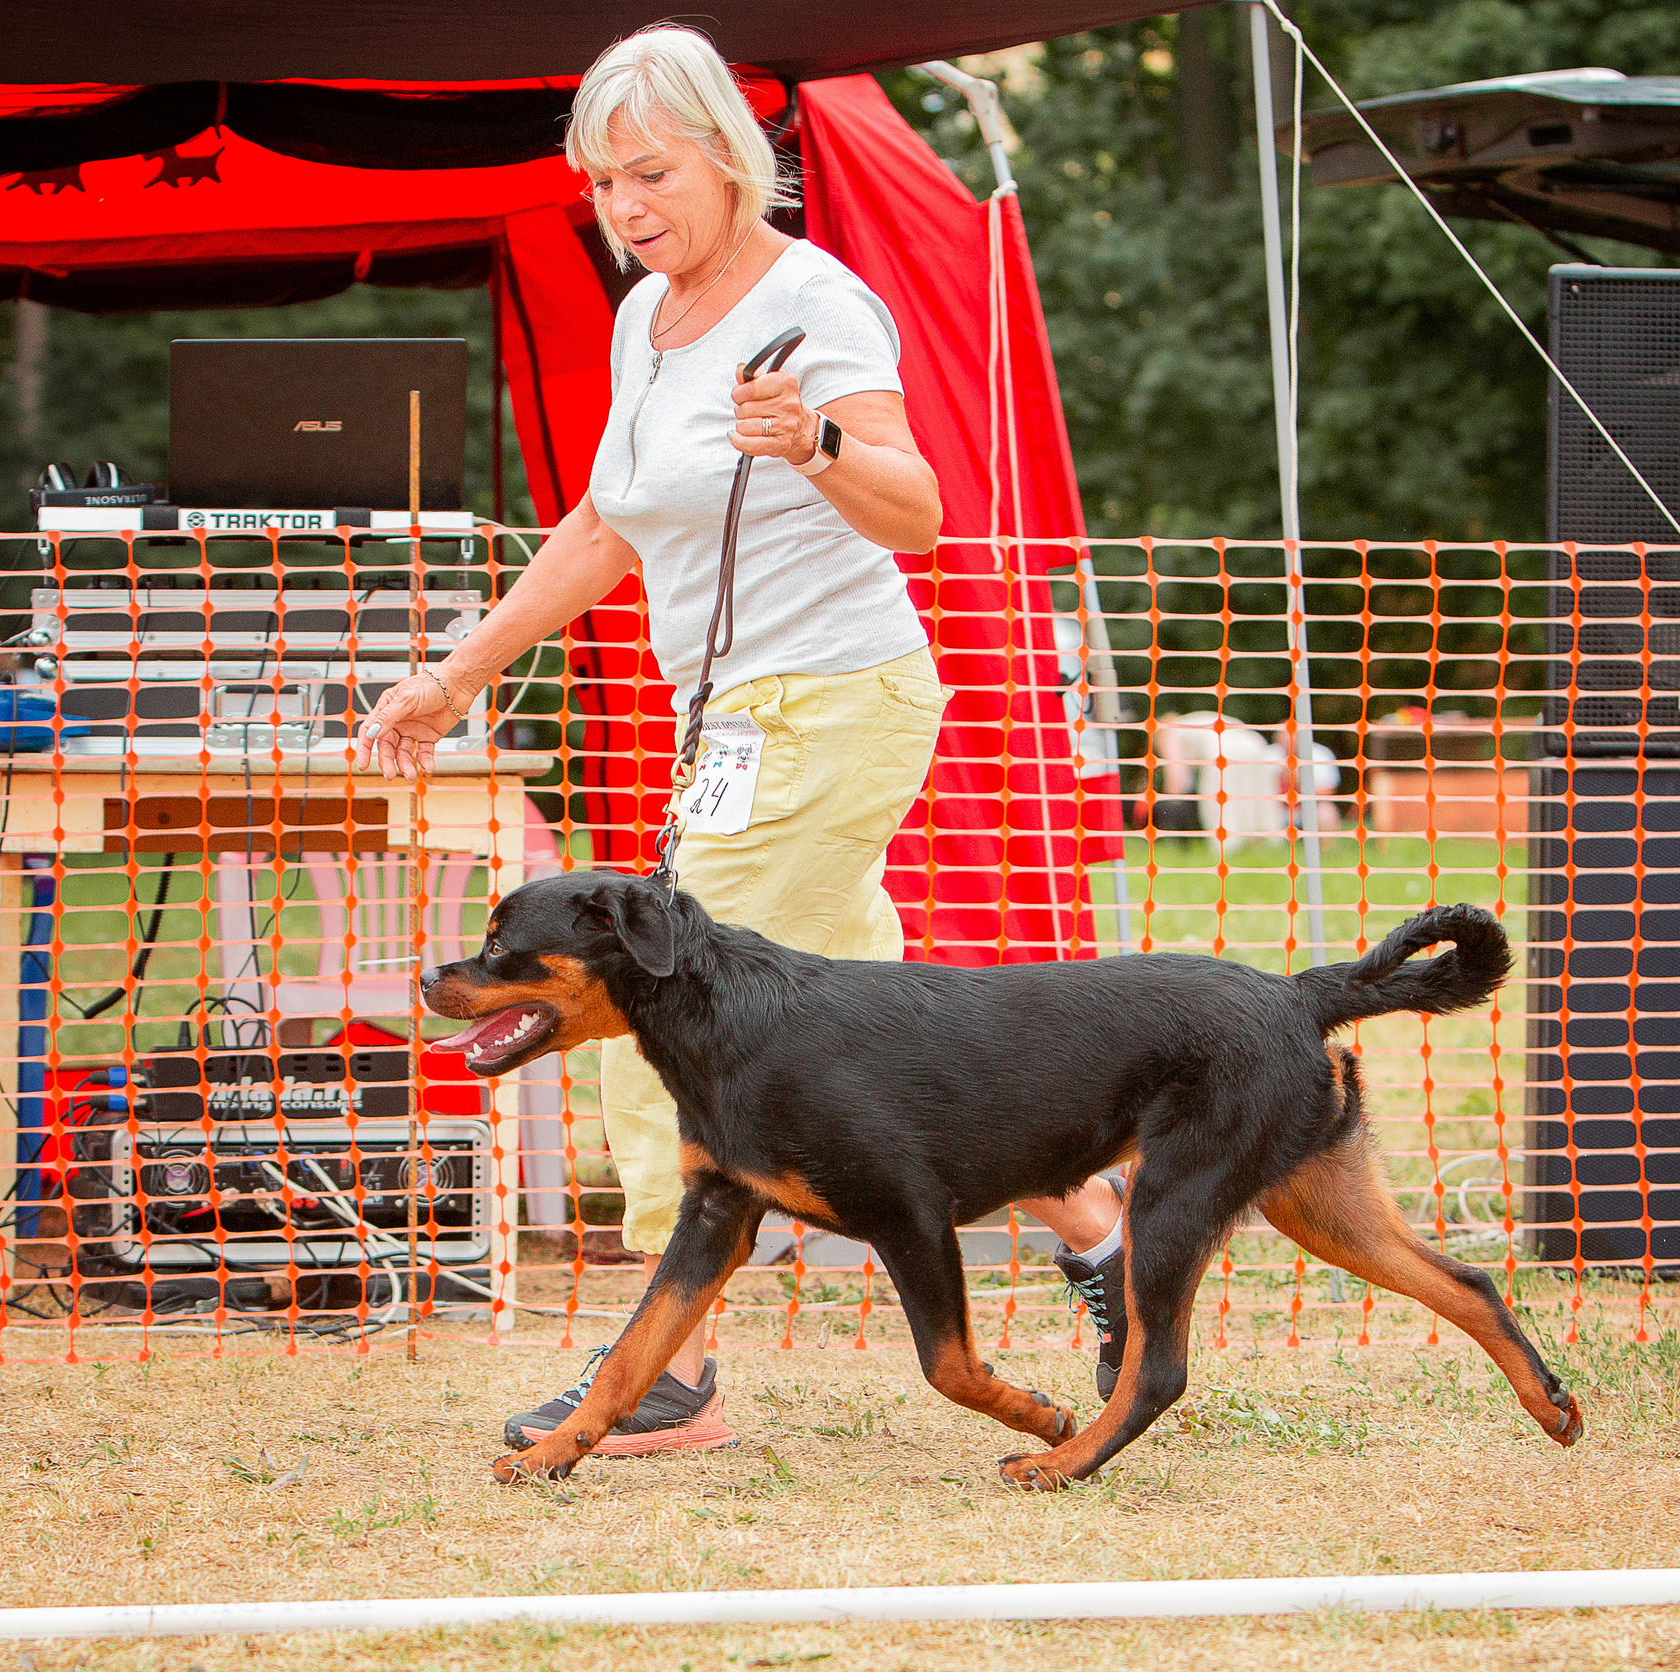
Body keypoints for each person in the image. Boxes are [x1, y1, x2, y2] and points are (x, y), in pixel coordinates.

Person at [352, 24, 1127, 1459]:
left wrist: (817, 449)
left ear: (730, 154)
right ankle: (1091, 1220)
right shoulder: (649, 319)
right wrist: (457, 675)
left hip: (830, 701)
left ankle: (674, 1374)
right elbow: (603, 528)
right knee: (885, 1033)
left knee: (658, 1011)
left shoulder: (814, 304)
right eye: (600, 183)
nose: (626, 206)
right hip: (748, 724)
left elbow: (919, 510)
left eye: (649, 171)